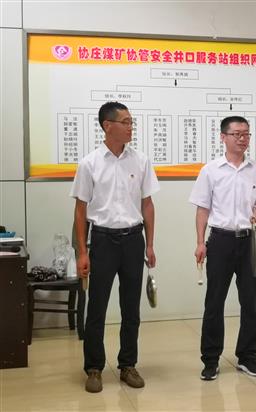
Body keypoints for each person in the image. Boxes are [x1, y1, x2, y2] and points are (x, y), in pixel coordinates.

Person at [71, 101, 160, 393]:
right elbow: (81, 211)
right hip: (103, 241)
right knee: (97, 307)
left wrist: (150, 244)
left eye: (132, 122)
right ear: (108, 126)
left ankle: (127, 365)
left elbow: (148, 204)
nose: (131, 127)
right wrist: (82, 252)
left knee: (131, 308)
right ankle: (94, 368)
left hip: (133, 240)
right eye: (126, 122)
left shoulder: (141, 160)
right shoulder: (89, 163)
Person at [190, 116, 256, 381]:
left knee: (249, 301)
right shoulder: (211, 170)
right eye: (237, 134)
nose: (242, 138)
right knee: (214, 301)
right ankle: (210, 360)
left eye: (246, 134)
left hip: (249, 241)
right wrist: (200, 242)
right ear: (223, 137)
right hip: (220, 241)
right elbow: (202, 209)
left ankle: (247, 357)